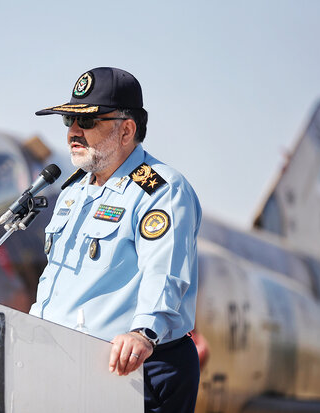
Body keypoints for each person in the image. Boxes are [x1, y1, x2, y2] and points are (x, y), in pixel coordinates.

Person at [29, 67, 202, 413]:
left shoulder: (160, 189)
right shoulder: (72, 193)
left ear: (127, 130)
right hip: (64, 370)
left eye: (88, 122)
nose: (74, 132)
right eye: (68, 120)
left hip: (133, 371)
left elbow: (164, 272)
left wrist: (143, 333)